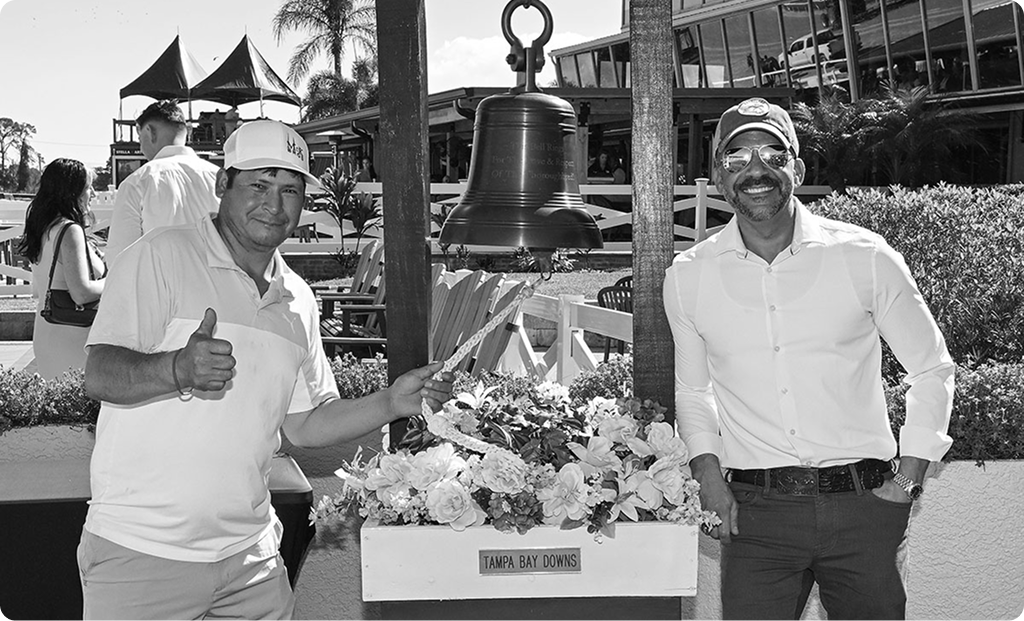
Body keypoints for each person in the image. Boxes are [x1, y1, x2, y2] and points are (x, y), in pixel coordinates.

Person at [79, 120, 454, 620]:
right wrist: (176, 368)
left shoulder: (298, 298)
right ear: (221, 185)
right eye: (258, 185)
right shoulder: (160, 255)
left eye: (290, 190)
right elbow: (99, 372)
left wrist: (392, 402)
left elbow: (306, 422)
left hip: (252, 562)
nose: (274, 206)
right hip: (142, 555)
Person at [663, 98, 954, 621]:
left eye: (773, 153)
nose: (756, 169)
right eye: (737, 157)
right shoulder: (688, 276)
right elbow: (693, 390)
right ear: (717, 175)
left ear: (796, 167)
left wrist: (906, 482)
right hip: (756, 517)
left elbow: (932, 368)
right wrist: (707, 476)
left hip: (865, 506)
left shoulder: (866, 257)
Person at [20, 158, 106, 379]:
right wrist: (114, 281)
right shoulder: (69, 230)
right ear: (72, 191)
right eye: (88, 187)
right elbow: (81, 292)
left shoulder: (44, 228)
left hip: (48, 330)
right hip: (73, 335)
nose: (93, 194)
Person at [104, 99, 220, 263]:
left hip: (162, 284)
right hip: (220, 284)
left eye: (140, 137)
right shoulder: (219, 177)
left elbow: (120, 257)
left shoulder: (138, 182)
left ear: (150, 132)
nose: (140, 146)